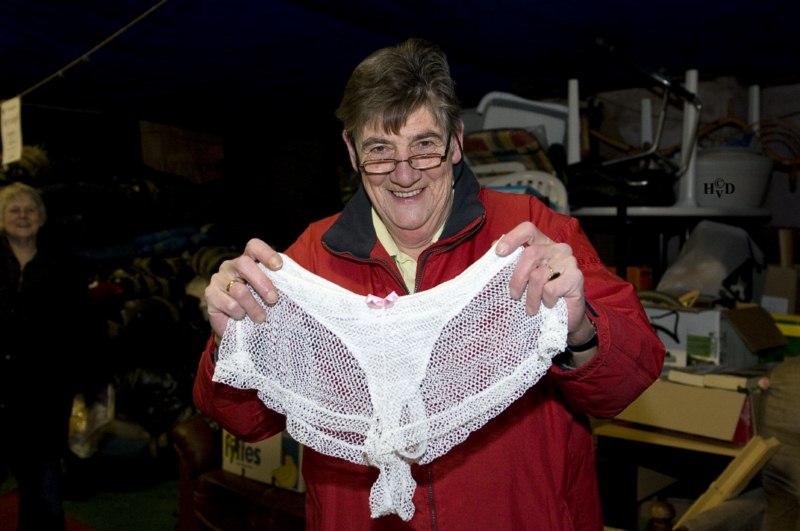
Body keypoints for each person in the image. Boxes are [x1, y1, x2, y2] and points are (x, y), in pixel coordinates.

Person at [194, 38, 665, 530]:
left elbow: (628, 382)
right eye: (380, 151)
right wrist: (231, 343)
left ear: (456, 141)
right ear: (352, 152)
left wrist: (582, 330)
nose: (404, 174)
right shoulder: (307, 262)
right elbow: (247, 422)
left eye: (424, 146)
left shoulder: (534, 236)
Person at [0, 181, 97, 531]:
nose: (23, 216)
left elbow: (84, 324)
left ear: (41, 218)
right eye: (14, 210)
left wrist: (85, 381)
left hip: (46, 387)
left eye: (30, 210)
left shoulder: (63, 264)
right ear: (2, 218)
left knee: (43, 471)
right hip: (1, 385)